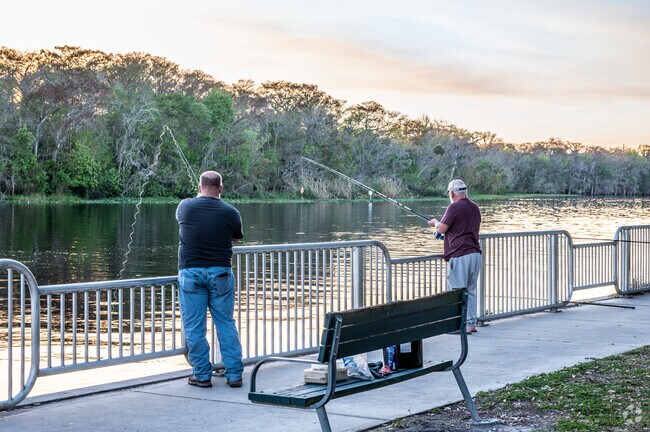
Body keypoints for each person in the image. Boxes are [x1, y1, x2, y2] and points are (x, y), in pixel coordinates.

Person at [176, 171, 244, 388]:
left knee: (194, 327)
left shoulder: (185, 206)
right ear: (221, 188)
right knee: (225, 324)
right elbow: (235, 236)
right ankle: (234, 375)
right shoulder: (231, 211)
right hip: (221, 273)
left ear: (199, 186)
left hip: (191, 273)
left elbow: (188, 225)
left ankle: (202, 375)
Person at [428, 179, 482, 333]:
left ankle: (456, 325)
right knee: (470, 290)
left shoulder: (454, 207)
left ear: (452, 193)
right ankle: (470, 324)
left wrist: (434, 223)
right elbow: (462, 229)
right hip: (475, 254)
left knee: (456, 291)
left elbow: (443, 228)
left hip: (459, 255)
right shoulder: (475, 207)